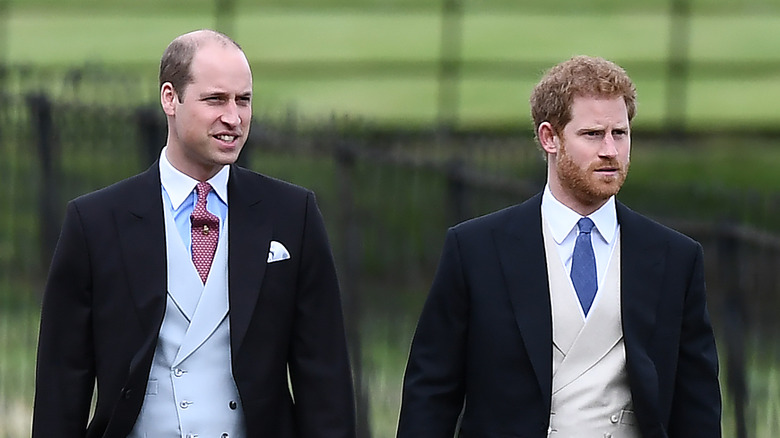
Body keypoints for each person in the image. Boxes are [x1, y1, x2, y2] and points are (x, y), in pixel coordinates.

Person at [32, 29, 356, 438]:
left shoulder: (293, 215)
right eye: (215, 99)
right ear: (171, 98)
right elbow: (63, 381)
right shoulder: (95, 221)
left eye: (244, 100)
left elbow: (323, 377)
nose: (233, 118)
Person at [397, 55, 721, 437]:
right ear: (549, 138)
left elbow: (696, 406)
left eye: (620, 133)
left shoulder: (675, 258)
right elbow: (431, 392)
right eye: (592, 134)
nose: (610, 151)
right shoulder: (476, 250)